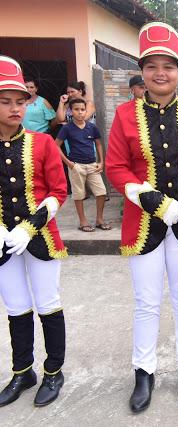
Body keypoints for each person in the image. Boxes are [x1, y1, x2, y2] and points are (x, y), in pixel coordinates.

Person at [105, 22, 178, 414]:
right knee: (147, 302)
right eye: (152, 66)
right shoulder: (124, 115)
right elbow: (116, 168)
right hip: (144, 224)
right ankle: (144, 372)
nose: (160, 73)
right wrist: (155, 202)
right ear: (143, 71)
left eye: (168, 65)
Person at [0, 55, 68, 407]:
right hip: (2, 246)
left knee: (47, 305)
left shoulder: (42, 143)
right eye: (5, 101)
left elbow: (59, 192)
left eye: (20, 101)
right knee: (16, 308)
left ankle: (54, 372)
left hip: (41, 238)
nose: (15, 108)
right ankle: (22, 371)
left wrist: (30, 227)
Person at [55, 98, 110, 232]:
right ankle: (82, 221)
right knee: (79, 195)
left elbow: (98, 143)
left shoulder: (92, 127)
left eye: (82, 109)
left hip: (92, 165)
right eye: (76, 109)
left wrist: (101, 162)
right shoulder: (67, 128)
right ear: (71, 111)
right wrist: (69, 163)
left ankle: (99, 219)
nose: (80, 112)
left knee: (101, 192)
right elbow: (56, 146)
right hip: (76, 166)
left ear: (86, 111)